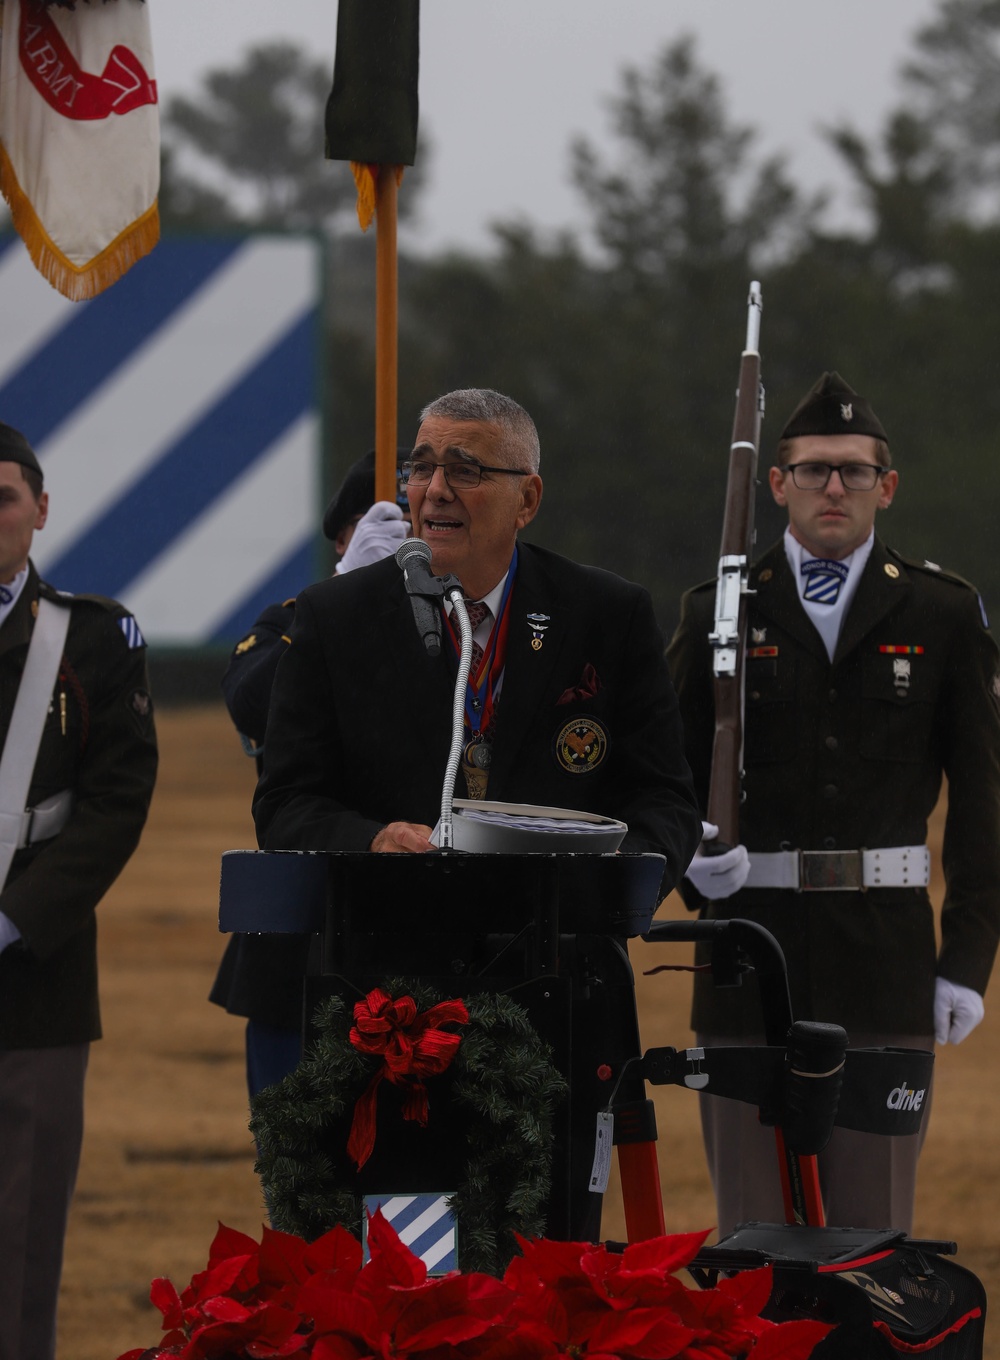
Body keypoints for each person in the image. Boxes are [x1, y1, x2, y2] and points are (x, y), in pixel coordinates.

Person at [252, 387, 702, 1235]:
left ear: (527, 497)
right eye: (421, 467)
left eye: (465, 469)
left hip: (559, 998)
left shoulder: (606, 615)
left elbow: (663, 801)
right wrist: (370, 839)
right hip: (380, 1004)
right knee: (401, 1275)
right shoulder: (335, 617)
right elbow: (286, 804)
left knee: (548, 1267)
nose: (433, 491)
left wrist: (620, 875)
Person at [667, 371, 1000, 1236]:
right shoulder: (718, 613)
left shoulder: (942, 612)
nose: (834, 488)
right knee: (754, 1234)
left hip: (883, 961)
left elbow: (983, 802)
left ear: (886, 487)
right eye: (814, 470)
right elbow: (658, 772)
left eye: (855, 471)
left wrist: (966, 954)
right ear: (776, 484)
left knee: (870, 1236)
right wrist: (685, 855)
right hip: (745, 955)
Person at [0, 422, 158, 1360]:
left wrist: (16, 921)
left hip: (34, 979)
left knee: (20, 1227)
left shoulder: (93, 638)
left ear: (41, 509)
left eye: (3, 497)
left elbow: (115, 798)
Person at [209, 450, 409, 1100]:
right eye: (383, 521)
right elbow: (251, 699)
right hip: (300, 936)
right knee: (300, 1172)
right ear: (344, 538)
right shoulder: (287, 624)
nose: (404, 532)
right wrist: (349, 589)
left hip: (419, 931)